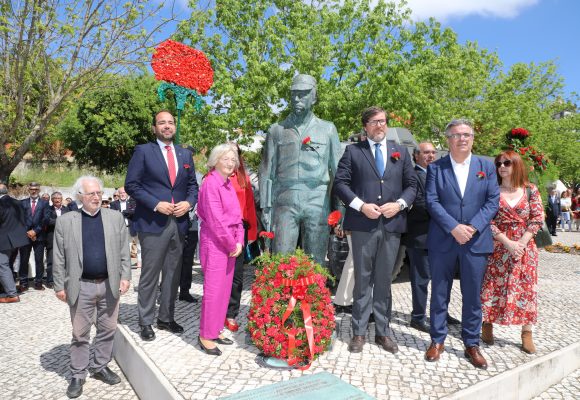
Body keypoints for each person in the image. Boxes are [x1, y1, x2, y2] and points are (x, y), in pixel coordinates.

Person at [333, 106, 417, 354]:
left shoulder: (401, 152)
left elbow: (412, 185)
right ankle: (358, 332)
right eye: (374, 122)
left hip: (391, 226)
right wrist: (360, 206)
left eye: (383, 121)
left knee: (383, 281)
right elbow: (340, 184)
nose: (380, 125)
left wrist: (399, 204)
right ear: (366, 126)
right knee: (362, 280)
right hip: (362, 226)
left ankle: (383, 331)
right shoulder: (353, 152)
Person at [424, 119, 499, 369]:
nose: (462, 139)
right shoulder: (436, 168)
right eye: (456, 135)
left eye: (466, 134)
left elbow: (492, 201)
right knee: (440, 293)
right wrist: (454, 227)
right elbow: (432, 202)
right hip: (443, 239)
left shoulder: (486, 167)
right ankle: (437, 340)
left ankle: (471, 342)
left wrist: (473, 227)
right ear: (448, 140)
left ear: (473, 138)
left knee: (473, 295)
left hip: (476, 241)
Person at [52, 176, 131, 398]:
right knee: (80, 333)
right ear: (80, 197)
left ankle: (100, 366)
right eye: (91, 194)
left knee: (107, 329)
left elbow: (124, 251)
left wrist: (125, 276)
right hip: (80, 286)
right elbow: (58, 257)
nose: (97, 197)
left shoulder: (115, 218)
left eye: (99, 193)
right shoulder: (66, 221)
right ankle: (78, 374)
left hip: (109, 284)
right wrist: (59, 285)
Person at [125, 110, 199, 342]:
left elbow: (193, 187)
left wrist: (188, 203)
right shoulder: (143, 151)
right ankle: (145, 321)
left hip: (179, 223)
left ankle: (166, 317)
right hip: (152, 222)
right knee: (150, 274)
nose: (167, 126)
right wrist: (156, 204)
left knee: (172, 274)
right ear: (154, 128)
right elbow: (132, 185)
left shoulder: (185, 154)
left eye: (170, 122)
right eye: (162, 123)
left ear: (174, 126)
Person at [259, 74, 342, 265]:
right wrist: (266, 206)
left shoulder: (328, 129)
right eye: (294, 94)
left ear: (314, 97)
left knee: (316, 260)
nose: (297, 99)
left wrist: (340, 208)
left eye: (303, 94)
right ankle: (280, 295)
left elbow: (337, 171)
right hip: (284, 200)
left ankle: (314, 295)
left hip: (317, 199)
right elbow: (266, 170)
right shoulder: (276, 130)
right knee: (281, 259)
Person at [480, 151, 544, 355]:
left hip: (525, 249)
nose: (502, 166)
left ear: (516, 164)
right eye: (498, 163)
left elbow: (537, 218)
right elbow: (486, 220)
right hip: (499, 246)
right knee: (492, 286)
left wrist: (521, 243)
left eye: (507, 163)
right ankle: (487, 324)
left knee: (526, 289)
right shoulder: (491, 190)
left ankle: (526, 332)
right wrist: (507, 242)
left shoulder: (530, 190)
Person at [197, 143, 244, 355]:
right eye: (226, 158)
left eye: (233, 159)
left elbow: (238, 218)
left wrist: (240, 242)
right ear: (215, 160)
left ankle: (216, 329)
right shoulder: (210, 183)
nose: (230, 162)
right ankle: (205, 335)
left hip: (231, 244)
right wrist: (231, 243)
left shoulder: (228, 184)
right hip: (216, 243)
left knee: (224, 291)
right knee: (213, 291)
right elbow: (216, 220)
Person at [401, 142, 438, 333]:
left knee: (441, 279)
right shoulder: (412, 176)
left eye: (433, 152)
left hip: (440, 238)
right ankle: (418, 317)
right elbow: (420, 204)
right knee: (421, 279)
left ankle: (441, 313)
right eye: (426, 152)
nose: (430, 156)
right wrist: (445, 212)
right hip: (420, 237)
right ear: (416, 156)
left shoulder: (438, 174)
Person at [224, 143, 258, 332]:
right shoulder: (213, 177)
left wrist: (252, 233)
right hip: (219, 230)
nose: (231, 158)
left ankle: (231, 313)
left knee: (237, 276)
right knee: (219, 274)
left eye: (234, 154)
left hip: (239, 230)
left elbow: (250, 206)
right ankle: (216, 311)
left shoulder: (243, 178)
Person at [18, 182, 49, 291]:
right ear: (29, 190)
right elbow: (20, 219)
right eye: (31, 189)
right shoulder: (23, 203)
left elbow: (46, 219)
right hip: (25, 236)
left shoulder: (44, 203)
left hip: (39, 236)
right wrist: (28, 231)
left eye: (36, 189)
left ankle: (38, 282)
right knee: (23, 259)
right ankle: (23, 282)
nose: (34, 191)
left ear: (39, 190)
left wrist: (35, 231)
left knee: (39, 260)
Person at [0, 183, 28, 303]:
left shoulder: (1, 204)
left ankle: (12, 294)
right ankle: (6, 289)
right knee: (8, 264)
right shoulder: (17, 202)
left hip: (4, 239)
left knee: (2, 265)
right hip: (17, 240)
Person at [44, 192, 69, 289]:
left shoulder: (67, 210)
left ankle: (65, 280)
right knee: (51, 261)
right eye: (55, 198)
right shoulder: (47, 210)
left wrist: (57, 221)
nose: (57, 200)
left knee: (66, 260)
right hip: (51, 238)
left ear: (62, 199)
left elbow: (70, 222)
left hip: (65, 239)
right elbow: (47, 221)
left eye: (59, 198)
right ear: (52, 200)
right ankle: (50, 280)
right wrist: (61, 221)